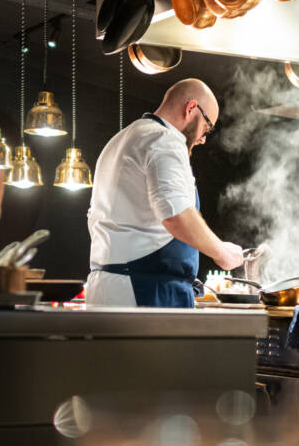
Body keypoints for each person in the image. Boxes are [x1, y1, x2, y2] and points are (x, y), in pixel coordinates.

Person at [84, 78, 245, 307]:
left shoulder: (121, 139)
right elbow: (175, 214)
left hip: (110, 285)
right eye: (207, 126)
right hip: (143, 289)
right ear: (191, 108)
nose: (203, 139)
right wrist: (221, 252)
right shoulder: (164, 139)